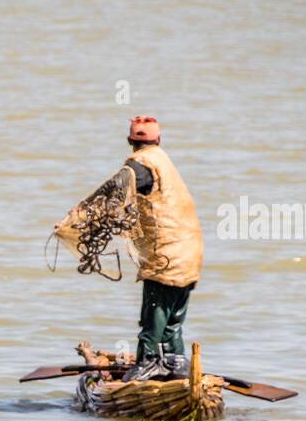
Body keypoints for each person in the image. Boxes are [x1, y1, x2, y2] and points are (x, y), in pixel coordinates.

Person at [56, 116, 203, 380]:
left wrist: (74, 219)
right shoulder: (165, 161)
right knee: (173, 318)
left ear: (130, 142)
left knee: (154, 314)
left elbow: (112, 194)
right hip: (191, 252)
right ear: (158, 140)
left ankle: (147, 363)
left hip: (166, 257)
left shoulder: (140, 165)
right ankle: (176, 362)